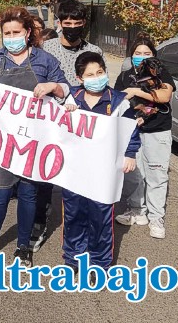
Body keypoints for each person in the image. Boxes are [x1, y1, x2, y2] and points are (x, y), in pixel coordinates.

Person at [0, 6, 69, 267]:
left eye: (16, 32)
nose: (11, 36)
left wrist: (53, 86)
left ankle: (24, 247)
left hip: (35, 142)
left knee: (28, 195)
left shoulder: (45, 61)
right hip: (3, 142)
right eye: (6, 32)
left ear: (27, 33)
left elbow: (66, 91)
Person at [33, 0, 103, 252]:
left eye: (77, 23)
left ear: (84, 23)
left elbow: (99, 86)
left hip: (81, 126)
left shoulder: (95, 50)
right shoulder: (46, 48)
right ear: (60, 24)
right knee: (44, 178)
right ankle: (38, 225)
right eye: (67, 23)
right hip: (50, 123)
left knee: (78, 181)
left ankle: (78, 235)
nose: (72, 27)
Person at [61, 51, 140, 271]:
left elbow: (131, 131)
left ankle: (99, 263)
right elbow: (56, 130)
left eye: (100, 72)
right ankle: (73, 258)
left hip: (104, 171)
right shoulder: (72, 99)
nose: (96, 77)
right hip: (74, 171)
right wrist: (65, 113)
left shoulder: (119, 102)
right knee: (74, 213)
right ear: (79, 78)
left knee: (100, 216)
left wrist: (130, 154)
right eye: (90, 74)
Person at [114, 32, 175, 239]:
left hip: (158, 131)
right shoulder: (125, 76)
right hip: (133, 130)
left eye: (146, 52)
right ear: (131, 56)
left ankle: (156, 216)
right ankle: (137, 209)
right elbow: (118, 101)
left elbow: (165, 96)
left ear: (154, 54)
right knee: (133, 173)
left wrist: (137, 92)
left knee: (157, 175)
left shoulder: (161, 73)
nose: (141, 56)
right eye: (137, 53)